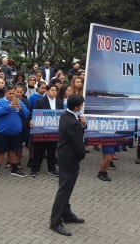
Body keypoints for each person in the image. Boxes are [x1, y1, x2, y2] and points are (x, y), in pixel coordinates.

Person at [49, 95, 86, 236]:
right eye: (81, 105)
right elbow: (79, 144)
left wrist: (83, 125)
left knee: (65, 187)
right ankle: (55, 222)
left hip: (63, 156)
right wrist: (81, 156)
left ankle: (67, 214)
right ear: (76, 107)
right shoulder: (73, 122)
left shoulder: (65, 115)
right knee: (64, 190)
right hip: (70, 159)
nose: (82, 107)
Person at [0, 85, 30, 179]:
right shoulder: (0, 102)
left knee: (13, 151)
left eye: (13, 93)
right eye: (10, 93)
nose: (12, 95)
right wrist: (9, 107)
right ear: (5, 93)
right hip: (3, 132)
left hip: (15, 133)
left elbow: (27, 114)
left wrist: (21, 108)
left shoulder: (19, 101)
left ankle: (14, 169)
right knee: (0, 152)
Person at [31, 84, 62, 177]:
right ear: (47, 91)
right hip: (42, 130)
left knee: (52, 151)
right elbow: (35, 114)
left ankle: (51, 169)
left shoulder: (59, 102)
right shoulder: (39, 102)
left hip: (54, 131)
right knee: (39, 150)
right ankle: (35, 169)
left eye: (55, 91)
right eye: (52, 90)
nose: (54, 92)